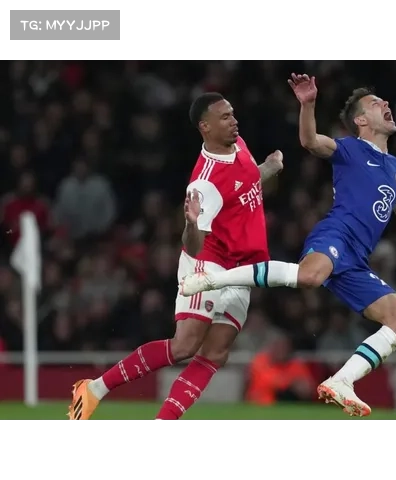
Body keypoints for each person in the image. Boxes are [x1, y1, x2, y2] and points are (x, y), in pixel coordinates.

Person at [180, 74, 396, 417]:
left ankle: (342, 381)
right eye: (375, 103)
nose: (386, 104)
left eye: (383, 101)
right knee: (310, 277)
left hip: (357, 259)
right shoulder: (350, 148)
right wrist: (308, 104)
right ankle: (212, 280)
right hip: (336, 235)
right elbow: (310, 141)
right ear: (361, 121)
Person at [68, 92, 283, 420]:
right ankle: (95, 388)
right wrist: (192, 223)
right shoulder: (204, 183)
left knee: (216, 352)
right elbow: (193, 246)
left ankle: (164, 421)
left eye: (232, 113)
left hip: (242, 266)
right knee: (184, 346)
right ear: (205, 127)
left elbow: (245, 183)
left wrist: (268, 167)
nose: (234, 121)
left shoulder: (238, 145)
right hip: (208, 265)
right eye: (225, 117)